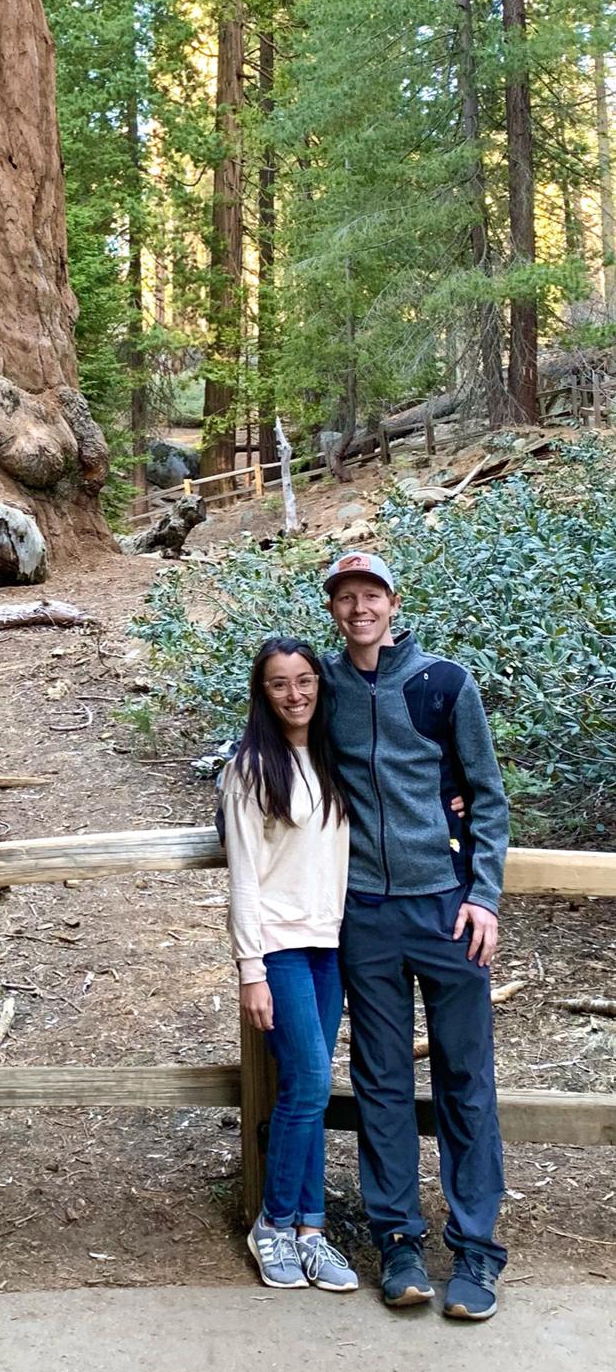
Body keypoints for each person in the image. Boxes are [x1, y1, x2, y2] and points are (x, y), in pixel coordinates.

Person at [321, 551, 510, 1322]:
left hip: (447, 911)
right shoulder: (321, 684)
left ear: (394, 603)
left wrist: (486, 898)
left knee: (466, 1078)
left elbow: (489, 796)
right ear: (333, 609)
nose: (359, 608)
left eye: (371, 595)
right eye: (345, 596)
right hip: (364, 911)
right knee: (382, 1081)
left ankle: (475, 1251)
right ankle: (397, 1239)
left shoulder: (445, 683)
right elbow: (277, 758)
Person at [220, 637, 358, 1293]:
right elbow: (244, 877)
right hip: (277, 948)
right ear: (263, 692)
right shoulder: (250, 768)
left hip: (329, 946)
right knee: (305, 1080)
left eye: (304, 681)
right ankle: (273, 1223)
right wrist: (250, 967)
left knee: (309, 1086)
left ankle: (310, 1230)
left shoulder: (333, 759)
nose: (295, 694)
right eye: (280, 684)